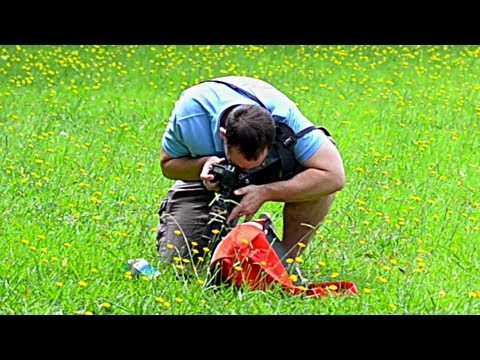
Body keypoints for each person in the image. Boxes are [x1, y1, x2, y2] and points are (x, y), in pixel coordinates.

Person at [156, 76, 345, 267]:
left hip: (270, 174)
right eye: (242, 165)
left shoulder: (283, 117)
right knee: (178, 263)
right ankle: (249, 234)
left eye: (254, 163)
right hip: (211, 178)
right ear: (224, 136)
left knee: (318, 179)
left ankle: (283, 263)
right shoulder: (191, 113)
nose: (247, 170)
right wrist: (203, 164)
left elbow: (334, 176)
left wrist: (265, 191)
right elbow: (167, 164)